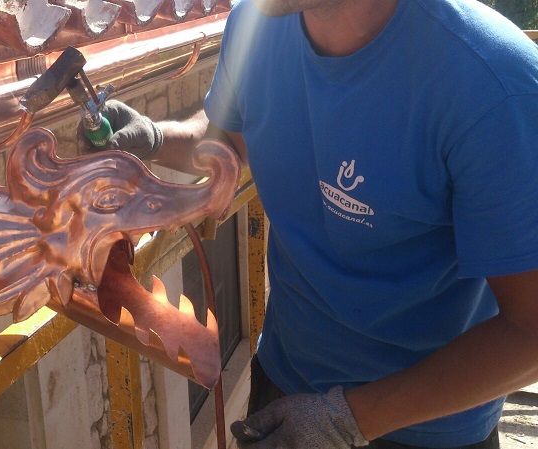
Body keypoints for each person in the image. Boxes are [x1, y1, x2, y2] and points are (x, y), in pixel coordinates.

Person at [79, 0, 538, 447]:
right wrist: (156, 137)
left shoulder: (492, 84)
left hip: (422, 422)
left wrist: (348, 419)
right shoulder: (256, 24)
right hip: (284, 383)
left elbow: (530, 333)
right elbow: (229, 140)